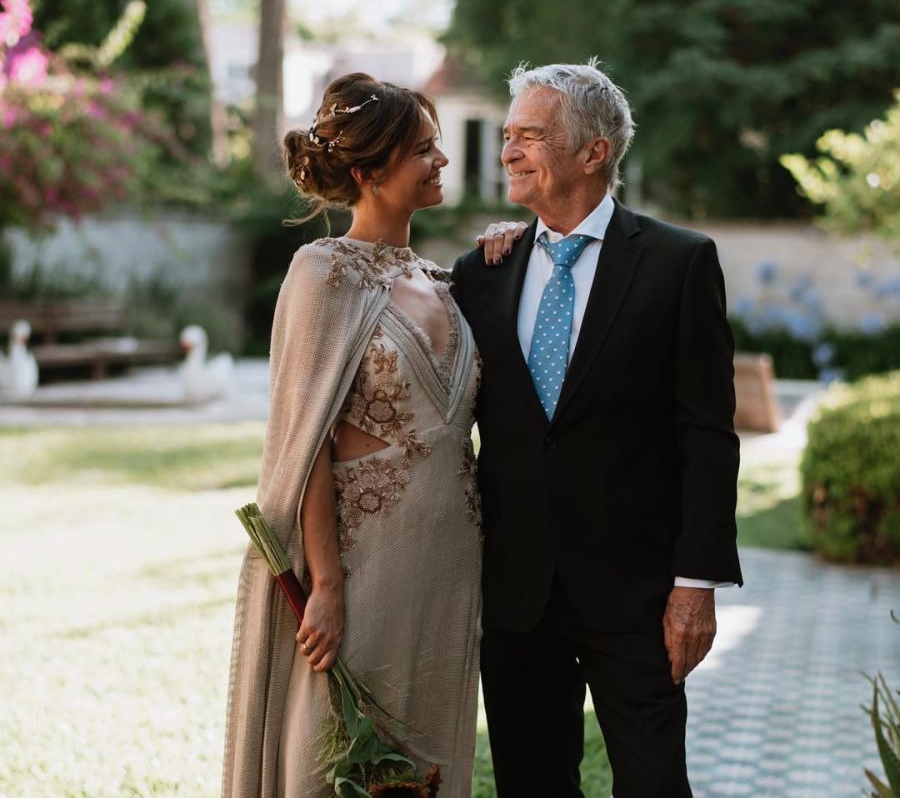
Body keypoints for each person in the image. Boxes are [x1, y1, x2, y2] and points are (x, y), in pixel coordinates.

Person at [451, 62, 743, 797]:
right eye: (508, 135)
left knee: (652, 783)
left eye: (531, 136)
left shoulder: (680, 263)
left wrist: (694, 585)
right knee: (532, 784)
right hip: (517, 596)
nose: (509, 151)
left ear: (593, 153)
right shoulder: (483, 273)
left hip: (638, 596)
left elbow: (707, 434)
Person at [223, 73, 490, 797]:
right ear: (371, 172)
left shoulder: (446, 282)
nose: (441, 163)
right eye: (424, 152)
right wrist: (327, 586)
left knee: (429, 763)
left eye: (438, 148)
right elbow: (305, 444)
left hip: (450, 564)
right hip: (363, 567)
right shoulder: (322, 273)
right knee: (337, 758)